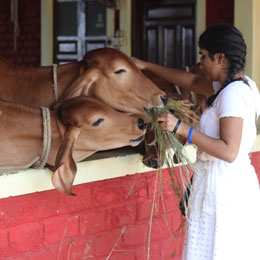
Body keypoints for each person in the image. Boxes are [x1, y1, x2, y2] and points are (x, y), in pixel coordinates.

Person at [132, 24, 260, 260]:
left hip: (223, 190)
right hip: (224, 183)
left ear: (220, 57)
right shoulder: (239, 86)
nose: (201, 64)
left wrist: (180, 128)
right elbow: (189, 81)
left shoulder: (232, 94)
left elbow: (228, 150)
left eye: (204, 57)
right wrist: (147, 66)